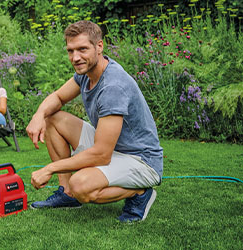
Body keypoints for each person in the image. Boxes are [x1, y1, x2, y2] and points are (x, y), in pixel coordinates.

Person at [26, 20, 163, 222]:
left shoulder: (112, 87)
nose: (75, 57)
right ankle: (67, 194)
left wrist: (49, 169)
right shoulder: (86, 73)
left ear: (99, 47)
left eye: (82, 49)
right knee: (52, 118)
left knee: (80, 185)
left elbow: (101, 154)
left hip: (141, 160)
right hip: (113, 148)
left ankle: (140, 193)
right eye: (70, 51)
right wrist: (39, 115)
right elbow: (58, 98)